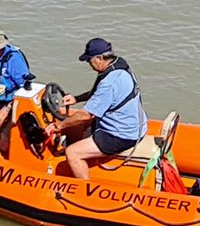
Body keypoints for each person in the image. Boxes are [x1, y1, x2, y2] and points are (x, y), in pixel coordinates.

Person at [44, 37, 147, 180]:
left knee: (72, 152)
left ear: (99, 58)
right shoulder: (119, 66)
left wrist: (58, 126)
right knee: (79, 126)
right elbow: (100, 95)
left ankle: (85, 189)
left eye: (89, 60)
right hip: (137, 126)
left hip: (120, 135)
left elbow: (86, 115)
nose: (89, 64)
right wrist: (76, 98)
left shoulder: (109, 83)